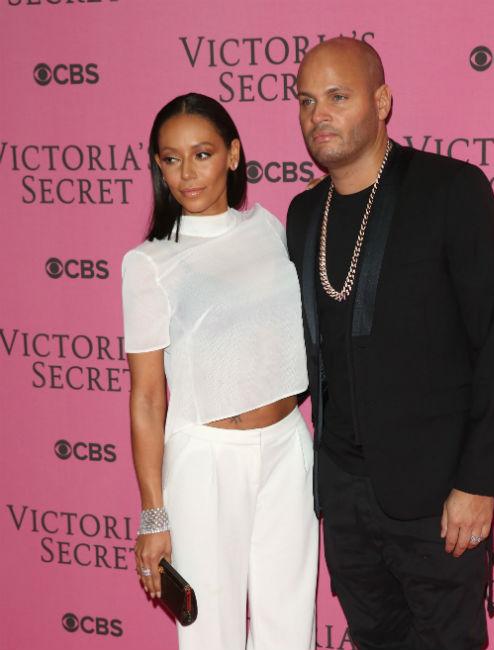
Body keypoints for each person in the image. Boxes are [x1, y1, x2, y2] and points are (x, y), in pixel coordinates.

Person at [286, 38, 494, 650]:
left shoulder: (450, 190)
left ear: (382, 101)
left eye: (338, 97)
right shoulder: (304, 213)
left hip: (438, 494)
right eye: (307, 101)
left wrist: (477, 484)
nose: (319, 115)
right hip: (343, 493)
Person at [122, 92, 317, 650]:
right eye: (171, 158)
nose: (187, 173)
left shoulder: (270, 228)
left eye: (202, 154)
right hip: (206, 459)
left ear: (232, 155)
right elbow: (147, 397)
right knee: (211, 636)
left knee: (290, 627)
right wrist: (154, 515)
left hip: (288, 447)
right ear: (158, 166)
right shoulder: (150, 263)